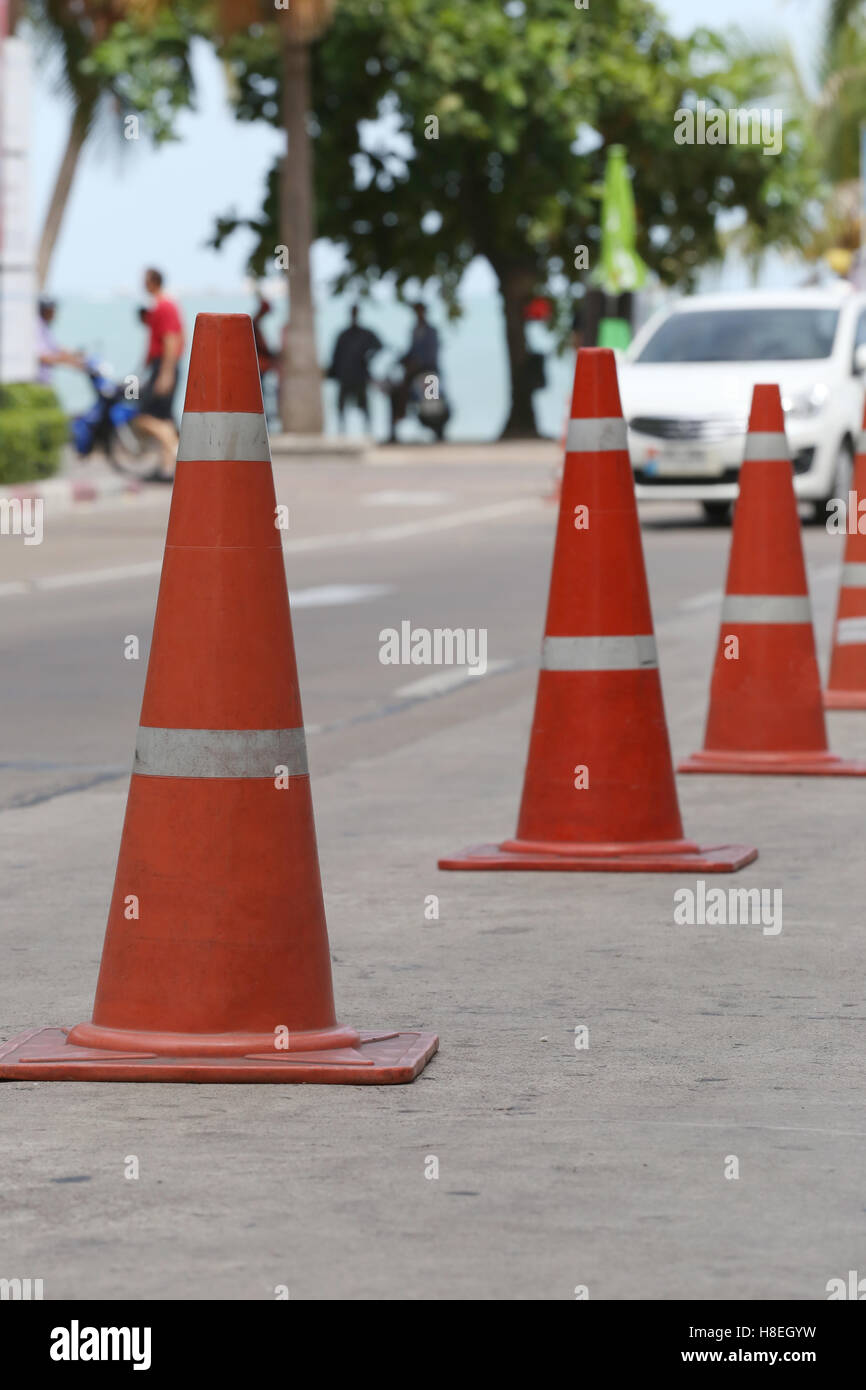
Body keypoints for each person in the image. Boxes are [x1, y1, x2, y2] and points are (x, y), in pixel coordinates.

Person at [138, 268, 185, 482]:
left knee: (143, 415)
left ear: (153, 282)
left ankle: (176, 451)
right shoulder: (161, 305)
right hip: (162, 366)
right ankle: (167, 468)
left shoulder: (165, 306)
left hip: (165, 366)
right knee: (164, 417)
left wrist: (165, 373)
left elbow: (171, 340)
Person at [386, 302, 440, 443]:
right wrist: (401, 360)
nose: (418, 314)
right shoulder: (414, 330)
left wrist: (417, 363)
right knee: (396, 392)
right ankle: (395, 425)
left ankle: (435, 428)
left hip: (428, 371)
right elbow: (411, 351)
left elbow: (431, 354)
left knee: (431, 397)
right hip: (413, 372)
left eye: (420, 311)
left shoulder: (431, 331)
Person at [328, 305, 382, 432]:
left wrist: (368, 357)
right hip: (345, 375)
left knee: (364, 405)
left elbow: (379, 346)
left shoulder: (366, 334)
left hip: (360, 375)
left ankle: (368, 430)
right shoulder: (343, 335)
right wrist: (333, 373)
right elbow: (336, 356)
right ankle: (341, 430)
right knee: (341, 405)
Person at [36, 298, 83, 384]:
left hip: (44, 380)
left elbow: (55, 348)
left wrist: (73, 355)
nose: (55, 313)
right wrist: (67, 361)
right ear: (46, 310)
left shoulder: (44, 326)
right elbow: (41, 356)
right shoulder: (37, 326)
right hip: (38, 380)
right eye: (53, 310)